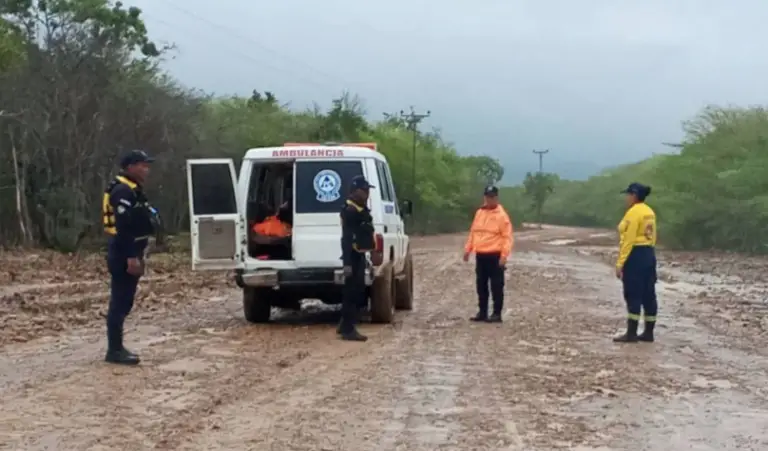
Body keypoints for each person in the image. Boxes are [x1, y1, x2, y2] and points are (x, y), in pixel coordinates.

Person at [102, 149, 157, 365]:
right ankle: (114, 350)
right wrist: (132, 257)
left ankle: (116, 348)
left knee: (125, 301)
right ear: (130, 167)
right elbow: (124, 228)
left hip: (130, 250)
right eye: (142, 165)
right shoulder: (122, 191)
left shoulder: (133, 190)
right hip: (123, 251)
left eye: (147, 165)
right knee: (120, 301)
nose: (146, 169)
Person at [614, 182, 658, 343]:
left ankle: (631, 333)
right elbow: (653, 236)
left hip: (636, 255)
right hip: (649, 253)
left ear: (633, 195)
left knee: (633, 292)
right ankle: (649, 332)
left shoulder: (633, 213)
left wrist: (620, 263)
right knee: (649, 293)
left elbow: (629, 240)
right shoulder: (649, 212)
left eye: (628, 195)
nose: (626, 198)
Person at [463, 185, 513, 323]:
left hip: (495, 255)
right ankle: (483, 312)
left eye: (492, 197)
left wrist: (504, 255)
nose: (489, 200)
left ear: (496, 198)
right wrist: (468, 249)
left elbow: (507, 237)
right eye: (487, 197)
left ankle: (497, 313)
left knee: (497, 285)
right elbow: (474, 232)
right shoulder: (480, 212)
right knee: (481, 285)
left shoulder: (502, 216)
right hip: (481, 254)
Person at [338, 175, 376, 341]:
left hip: (359, 254)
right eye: (364, 191)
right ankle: (348, 329)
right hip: (352, 256)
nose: (367, 194)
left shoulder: (360, 209)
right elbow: (346, 238)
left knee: (357, 291)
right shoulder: (350, 211)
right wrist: (347, 263)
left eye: (368, 191)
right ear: (355, 192)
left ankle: (343, 325)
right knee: (352, 293)